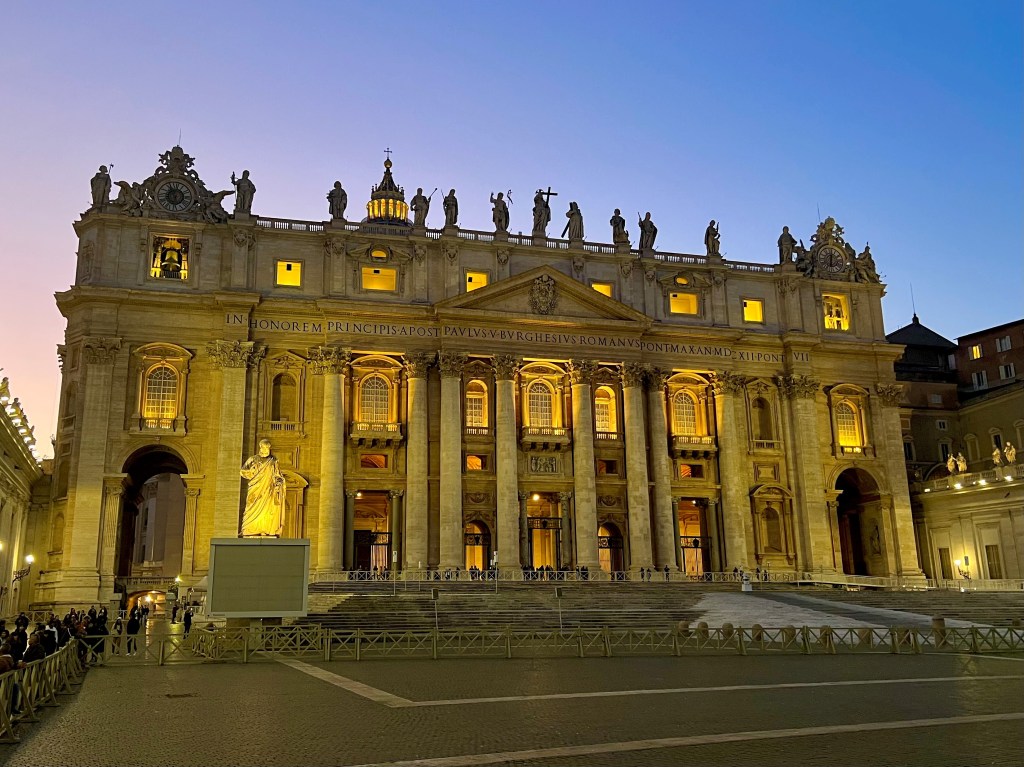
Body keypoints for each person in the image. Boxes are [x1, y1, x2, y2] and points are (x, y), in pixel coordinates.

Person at [240, 438, 286, 537]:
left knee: (267, 509)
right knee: (251, 506)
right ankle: (249, 528)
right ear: (260, 447)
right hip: (255, 488)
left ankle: (265, 529)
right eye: (264, 447)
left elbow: (278, 475)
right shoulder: (252, 459)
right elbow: (243, 471)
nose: (265, 450)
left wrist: (279, 482)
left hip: (268, 489)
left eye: (267, 448)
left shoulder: (273, 461)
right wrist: (251, 472)